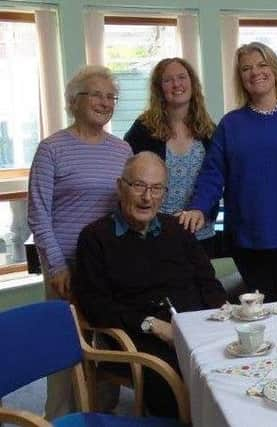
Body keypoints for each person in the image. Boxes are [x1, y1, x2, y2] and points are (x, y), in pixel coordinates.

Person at [72, 152, 226, 417]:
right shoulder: (95, 238)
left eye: (156, 189)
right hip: (139, 338)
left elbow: (206, 279)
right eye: (139, 186)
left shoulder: (177, 229)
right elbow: (96, 305)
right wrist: (152, 324)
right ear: (121, 186)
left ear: (164, 193)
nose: (147, 197)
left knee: (238, 364)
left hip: (195, 327)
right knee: (181, 379)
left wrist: (223, 309)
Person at [177, 42, 277, 302]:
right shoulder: (231, 124)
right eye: (246, 68)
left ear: (274, 70)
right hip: (247, 241)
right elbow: (213, 174)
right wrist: (199, 208)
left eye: (261, 65)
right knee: (262, 319)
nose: (255, 72)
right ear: (240, 78)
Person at [27, 65, 132, 419]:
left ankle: (101, 416)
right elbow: (38, 213)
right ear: (74, 101)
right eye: (97, 95)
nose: (105, 102)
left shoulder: (122, 150)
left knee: (107, 344)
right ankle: (56, 419)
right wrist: (55, 265)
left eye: (111, 97)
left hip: (107, 266)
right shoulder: (52, 148)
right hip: (66, 267)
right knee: (65, 351)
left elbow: (128, 208)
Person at [124, 57, 219, 257]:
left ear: (192, 84)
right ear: (159, 88)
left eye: (182, 77)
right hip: (154, 234)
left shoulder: (209, 131)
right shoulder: (142, 130)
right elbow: (129, 181)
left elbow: (216, 180)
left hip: (200, 236)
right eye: (168, 80)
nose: (177, 84)